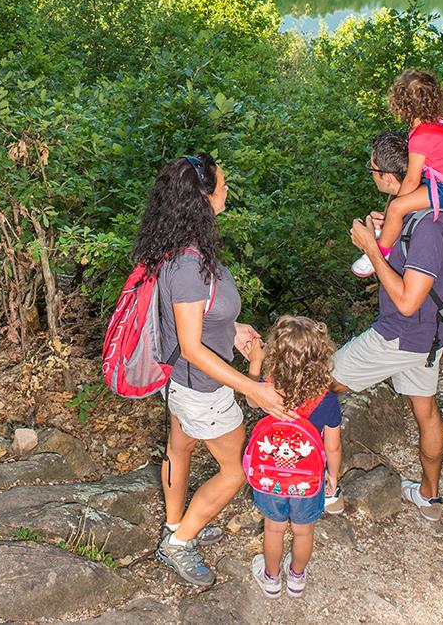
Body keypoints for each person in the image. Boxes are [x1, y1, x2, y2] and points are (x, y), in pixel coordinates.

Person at [134, 152, 292, 587]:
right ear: (201, 198)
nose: (226, 191)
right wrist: (253, 389)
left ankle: (175, 525)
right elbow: (190, 345)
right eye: (221, 185)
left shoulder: (183, 246)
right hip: (202, 387)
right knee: (236, 470)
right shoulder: (187, 262)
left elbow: (194, 317)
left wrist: (232, 327)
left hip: (182, 384)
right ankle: (180, 543)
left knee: (179, 448)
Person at [337, 131, 443, 521]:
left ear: (389, 178)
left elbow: (408, 301)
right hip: (432, 337)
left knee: (319, 382)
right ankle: (429, 496)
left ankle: (314, 485)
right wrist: (385, 231)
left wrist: (370, 248)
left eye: (372, 168)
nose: (371, 174)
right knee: (425, 410)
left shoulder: (430, 228)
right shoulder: (429, 209)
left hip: (402, 335)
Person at [245, 316, 343, 599]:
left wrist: (255, 361)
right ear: (322, 357)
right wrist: (333, 477)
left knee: (274, 530)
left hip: (269, 477)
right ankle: (297, 578)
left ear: (275, 356)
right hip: (307, 481)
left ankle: (272, 579)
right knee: (303, 532)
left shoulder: (270, 389)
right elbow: (333, 447)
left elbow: (251, 399)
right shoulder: (326, 400)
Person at [352, 69, 443, 277]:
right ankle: (386, 233)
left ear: (400, 106)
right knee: (398, 203)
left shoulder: (420, 137)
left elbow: (412, 180)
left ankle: (379, 253)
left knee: (398, 205)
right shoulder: (438, 124)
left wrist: (394, 212)